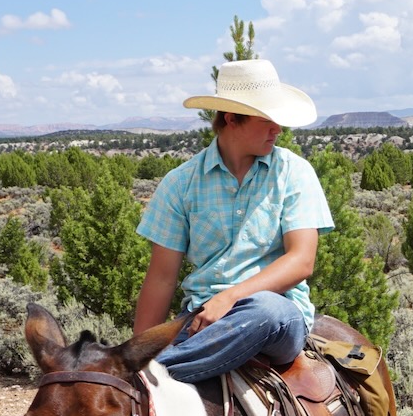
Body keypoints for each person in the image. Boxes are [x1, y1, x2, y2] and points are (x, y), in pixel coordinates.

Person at [132, 59, 332, 381]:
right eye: (267, 119)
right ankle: (140, 372)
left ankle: (156, 374)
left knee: (265, 310)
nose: (278, 129)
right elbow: (161, 278)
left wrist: (229, 297)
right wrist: (137, 351)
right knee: (142, 360)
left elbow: (301, 261)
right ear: (231, 119)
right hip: (202, 317)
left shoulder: (294, 172)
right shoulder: (180, 183)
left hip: (277, 314)